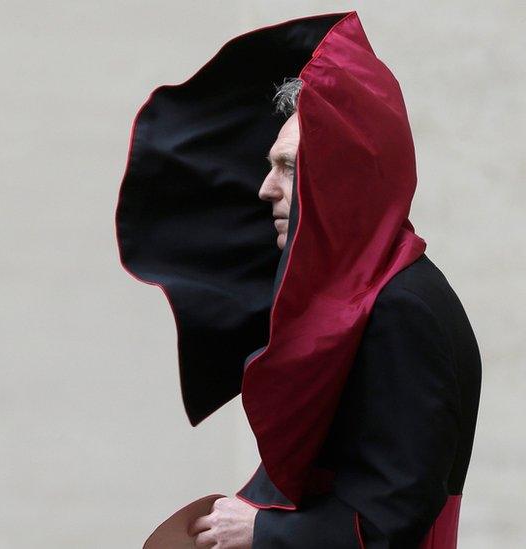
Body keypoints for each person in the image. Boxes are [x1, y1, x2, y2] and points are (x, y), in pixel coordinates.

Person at [116, 11, 481, 548]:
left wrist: (263, 529)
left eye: (288, 166)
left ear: (341, 174)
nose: (266, 188)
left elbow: (392, 515)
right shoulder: (365, 295)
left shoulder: (403, 306)